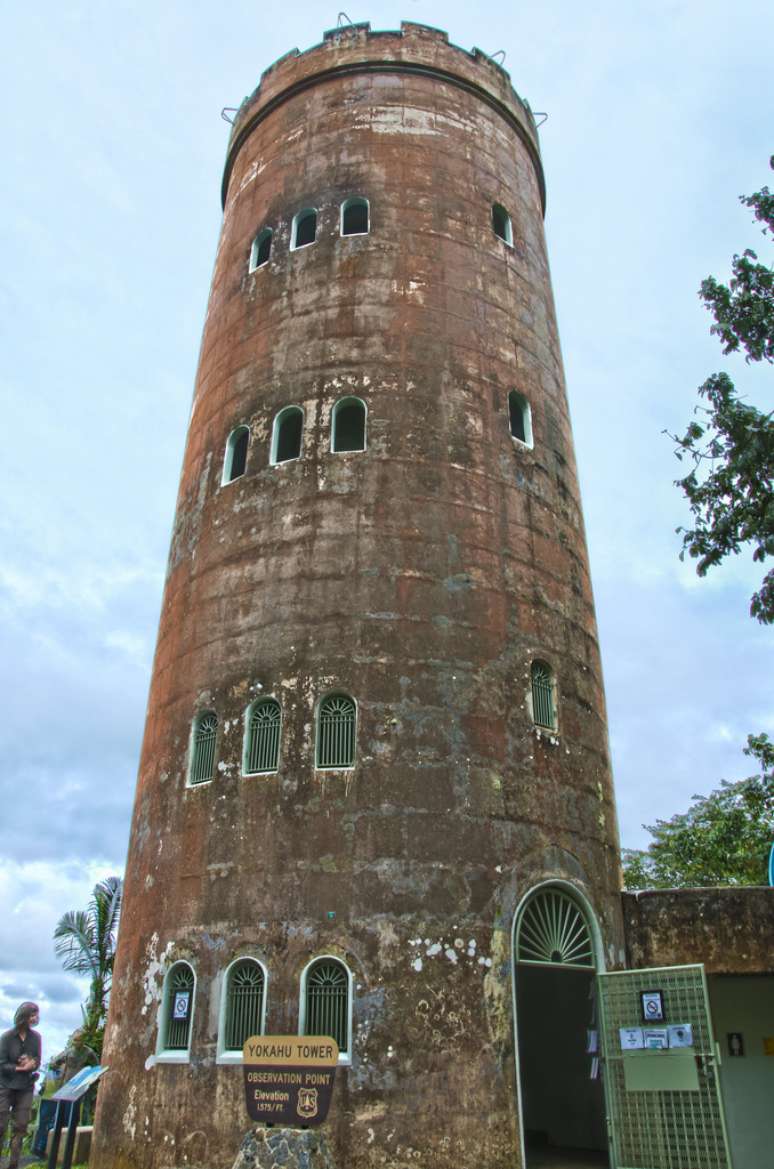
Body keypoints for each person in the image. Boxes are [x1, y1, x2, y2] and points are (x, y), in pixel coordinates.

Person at [0, 1002, 41, 1169]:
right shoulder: (7, 1037)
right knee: (1, 1125)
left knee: (21, 1126)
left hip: (25, 1087)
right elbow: (1, 1064)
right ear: (23, 1017)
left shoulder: (36, 1037)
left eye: (37, 1015)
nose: (36, 1018)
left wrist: (32, 1063)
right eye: (33, 1015)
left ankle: (13, 1164)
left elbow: (38, 1059)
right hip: (5, 1086)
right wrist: (19, 1067)